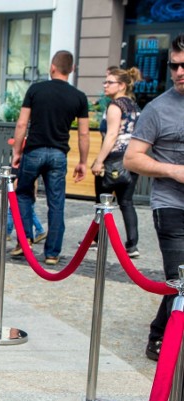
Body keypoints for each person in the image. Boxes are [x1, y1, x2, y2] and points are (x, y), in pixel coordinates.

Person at [124, 33, 184, 361]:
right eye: (174, 65)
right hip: (171, 206)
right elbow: (132, 158)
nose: (178, 71)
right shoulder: (158, 109)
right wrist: (174, 171)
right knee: (180, 277)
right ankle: (159, 335)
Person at [10, 50, 89, 266]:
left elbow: (21, 124)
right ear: (71, 70)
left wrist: (17, 151)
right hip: (58, 154)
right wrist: (83, 161)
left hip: (34, 150)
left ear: (52, 67)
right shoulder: (79, 97)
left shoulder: (36, 90)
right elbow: (83, 133)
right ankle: (52, 253)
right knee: (56, 202)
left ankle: (25, 240)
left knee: (24, 194)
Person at [89, 66, 143, 258]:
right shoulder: (134, 106)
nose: (105, 85)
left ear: (121, 85)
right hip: (131, 158)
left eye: (109, 82)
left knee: (102, 201)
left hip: (114, 158)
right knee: (127, 202)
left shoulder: (115, 106)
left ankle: (96, 239)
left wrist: (98, 161)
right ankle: (132, 245)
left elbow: (111, 136)